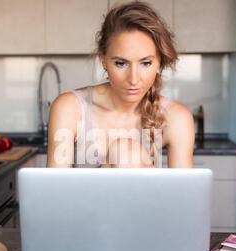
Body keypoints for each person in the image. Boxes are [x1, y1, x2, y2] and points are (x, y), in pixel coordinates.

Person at [47, 1, 195, 168]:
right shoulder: (70, 108)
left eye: (145, 63)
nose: (133, 79)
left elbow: (182, 193)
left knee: (125, 152)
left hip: (146, 195)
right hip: (81, 195)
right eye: (121, 63)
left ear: (159, 61)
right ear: (103, 60)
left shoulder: (176, 117)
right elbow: (54, 191)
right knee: (124, 151)